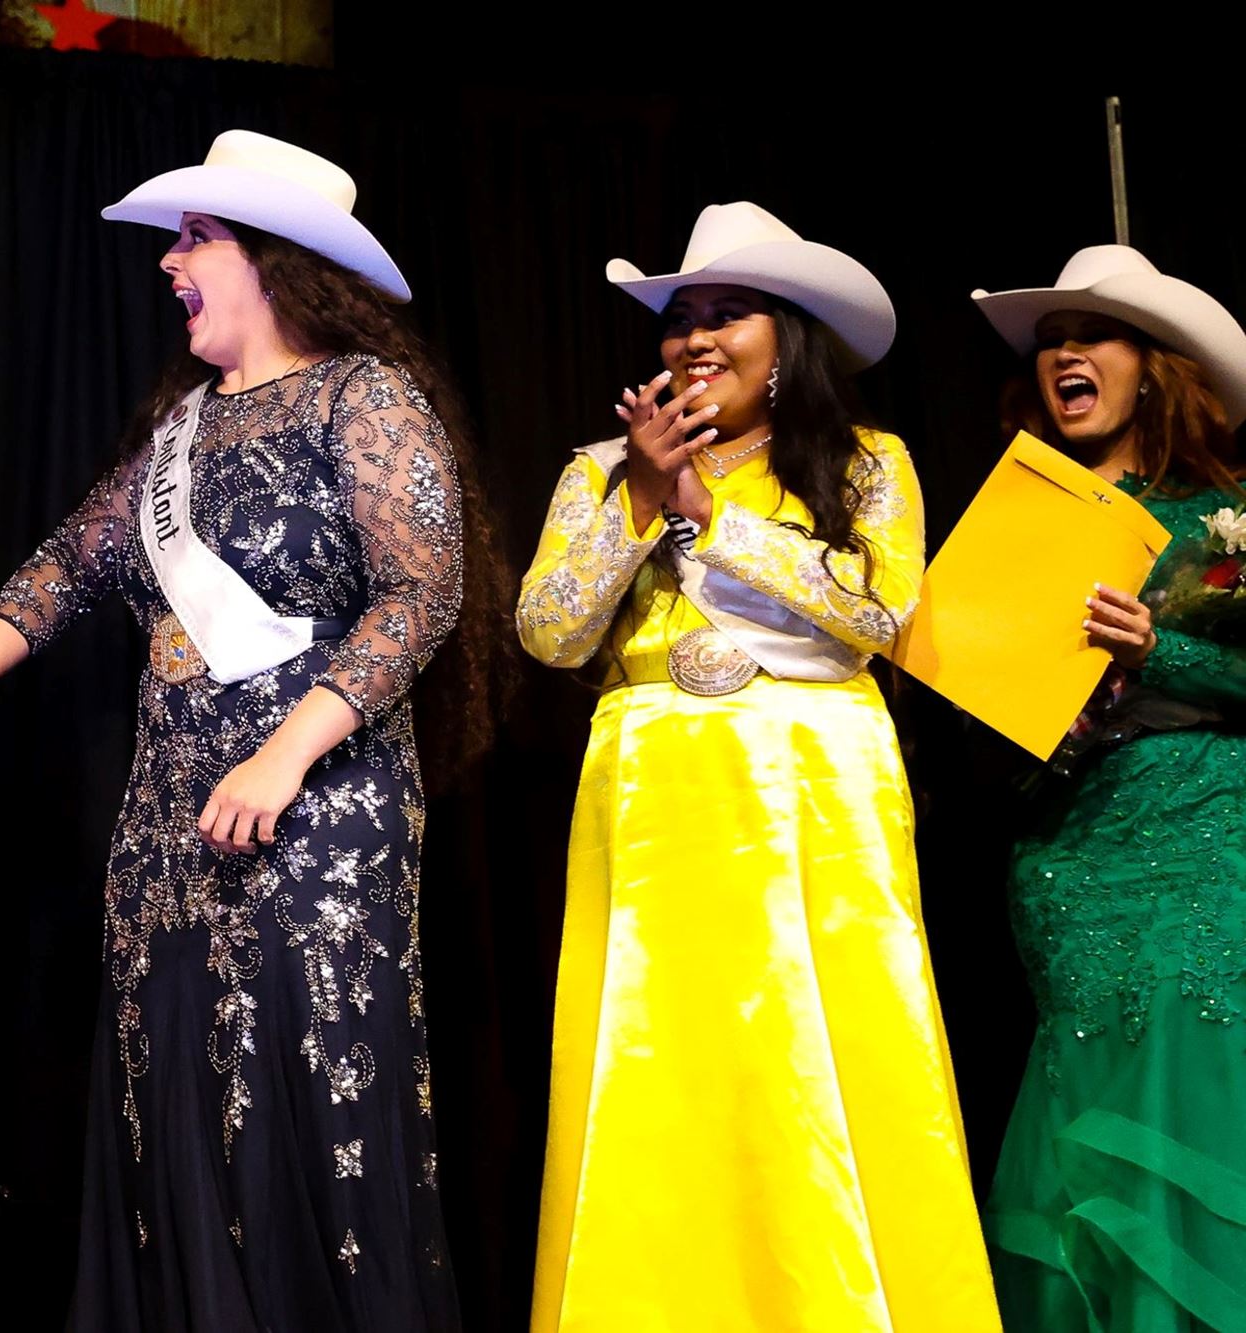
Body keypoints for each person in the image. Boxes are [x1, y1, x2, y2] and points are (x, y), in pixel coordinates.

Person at [0, 131, 464, 1331]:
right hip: (168, 815)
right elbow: (71, 561)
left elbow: (421, 597)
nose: (170, 262)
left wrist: (282, 752)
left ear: (277, 259)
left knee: (302, 1094)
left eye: (195, 239)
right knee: (179, 1107)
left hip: (318, 807)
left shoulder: (363, 395)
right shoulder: (182, 431)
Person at [518, 202, 999, 1331]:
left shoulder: (865, 461)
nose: (691, 338)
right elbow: (544, 631)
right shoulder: (599, 473)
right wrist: (643, 501)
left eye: (724, 314)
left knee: (822, 1053)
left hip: (812, 781)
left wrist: (712, 521)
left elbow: (879, 606)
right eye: (677, 318)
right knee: (656, 1059)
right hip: (652, 789)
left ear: (787, 336)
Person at [972, 245, 1246, 1331]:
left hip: (1199, 841)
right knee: (1080, 1100)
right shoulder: (1016, 524)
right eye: (1049, 343)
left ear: (1155, 366)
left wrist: (1158, 657)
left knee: (1191, 1083)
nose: (1064, 356)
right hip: (1066, 858)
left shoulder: (1222, 517)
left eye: (1092, 334)